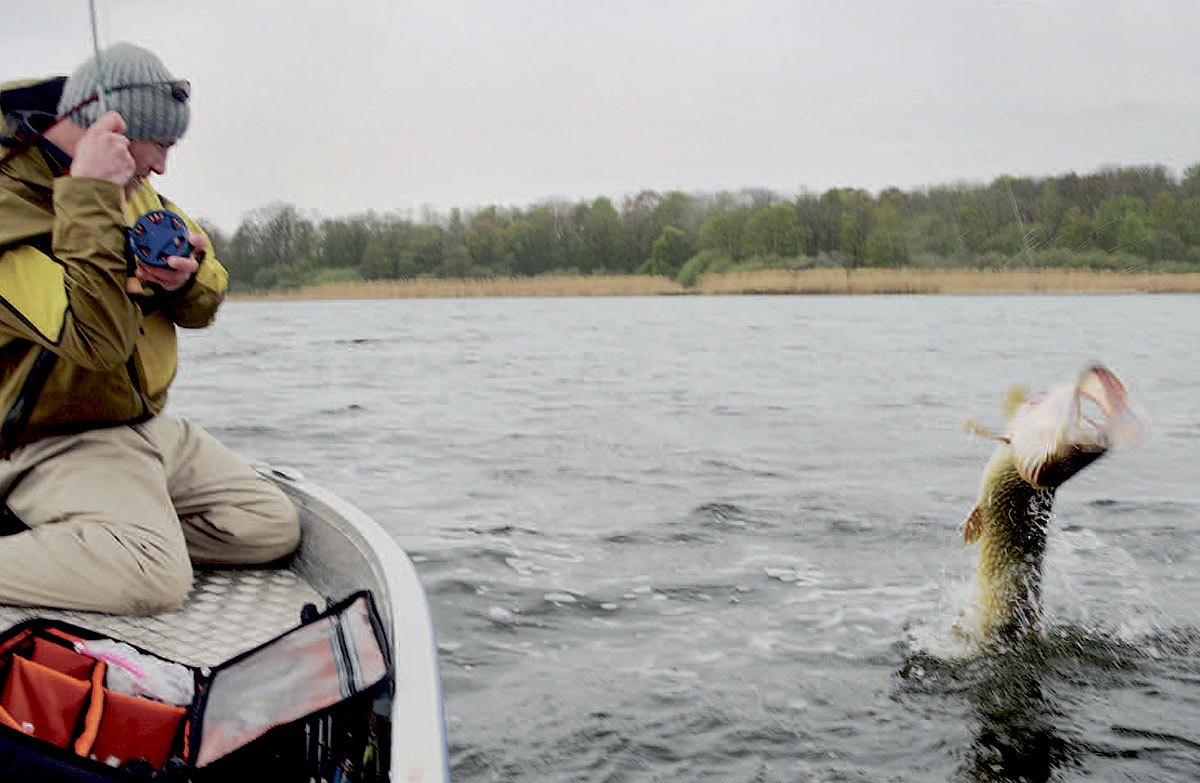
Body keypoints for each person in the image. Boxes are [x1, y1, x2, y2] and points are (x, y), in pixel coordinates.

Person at [0, 43, 300, 615]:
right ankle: (93, 540)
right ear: (111, 131)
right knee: (152, 580)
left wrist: (182, 281)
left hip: (146, 429)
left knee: (268, 528)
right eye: (159, 145)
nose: (161, 167)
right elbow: (97, 341)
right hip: (49, 441)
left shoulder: (133, 186)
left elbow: (207, 291)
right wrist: (89, 195)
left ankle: (92, 540)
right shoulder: (12, 209)